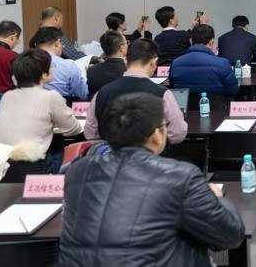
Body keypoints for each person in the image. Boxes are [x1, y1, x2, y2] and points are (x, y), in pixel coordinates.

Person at [60, 92, 244, 265]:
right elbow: (230, 236)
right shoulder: (180, 176)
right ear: (157, 135)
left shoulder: (77, 171)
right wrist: (218, 199)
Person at [0, 49, 82, 172]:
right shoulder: (50, 97)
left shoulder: (7, 96)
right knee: (63, 145)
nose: (53, 68)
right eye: (51, 66)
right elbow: (73, 129)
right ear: (44, 74)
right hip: (34, 165)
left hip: (2, 164)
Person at [85, 39, 187, 143]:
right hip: (151, 152)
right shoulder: (163, 94)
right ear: (153, 62)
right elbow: (178, 133)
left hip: (110, 151)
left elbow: (90, 133)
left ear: (126, 61)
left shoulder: (101, 93)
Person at [170, 24, 239, 97]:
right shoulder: (222, 63)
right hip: (216, 103)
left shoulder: (175, 63)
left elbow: (173, 87)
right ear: (211, 41)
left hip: (185, 104)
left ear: (191, 41)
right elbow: (233, 91)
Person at [29, 27, 88, 100]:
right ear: (57, 44)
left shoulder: (24, 63)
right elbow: (83, 94)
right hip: (63, 105)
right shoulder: (69, 66)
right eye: (61, 44)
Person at [85, 31, 127, 97]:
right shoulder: (129, 70)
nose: (127, 45)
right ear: (121, 48)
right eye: (126, 43)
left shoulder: (91, 71)